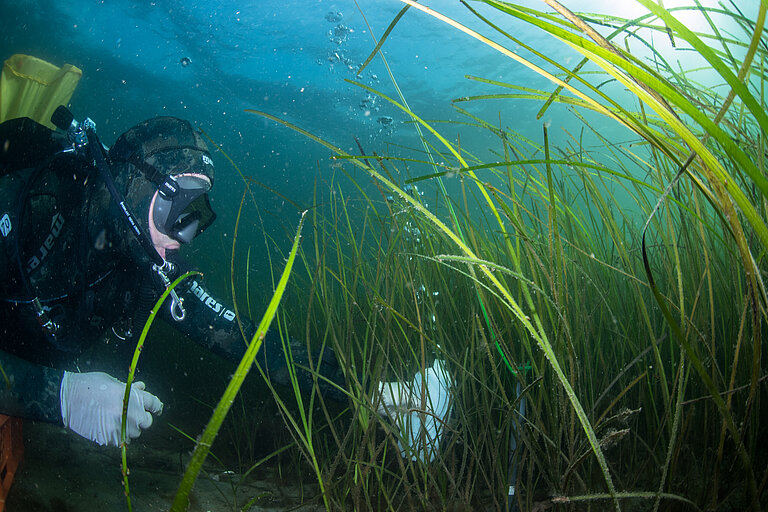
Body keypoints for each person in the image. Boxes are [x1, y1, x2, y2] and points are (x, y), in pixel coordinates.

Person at [0, 110, 452, 463]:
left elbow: (246, 340)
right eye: (177, 206)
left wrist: (370, 391)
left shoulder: (147, 262)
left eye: (197, 213)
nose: (184, 233)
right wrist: (58, 396)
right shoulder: (28, 206)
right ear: (133, 188)